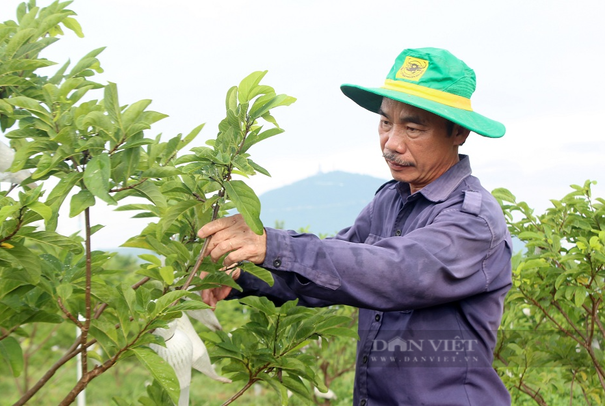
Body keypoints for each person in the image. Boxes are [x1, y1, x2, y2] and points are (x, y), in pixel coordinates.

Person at [198, 47, 512, 406]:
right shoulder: (389, 201)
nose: (391, 144)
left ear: (458, 132)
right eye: (385, 123)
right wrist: (240, 274)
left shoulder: (473, 219)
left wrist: (273, 244)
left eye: (413, 127)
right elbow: (329, 273)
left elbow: (395, 272)